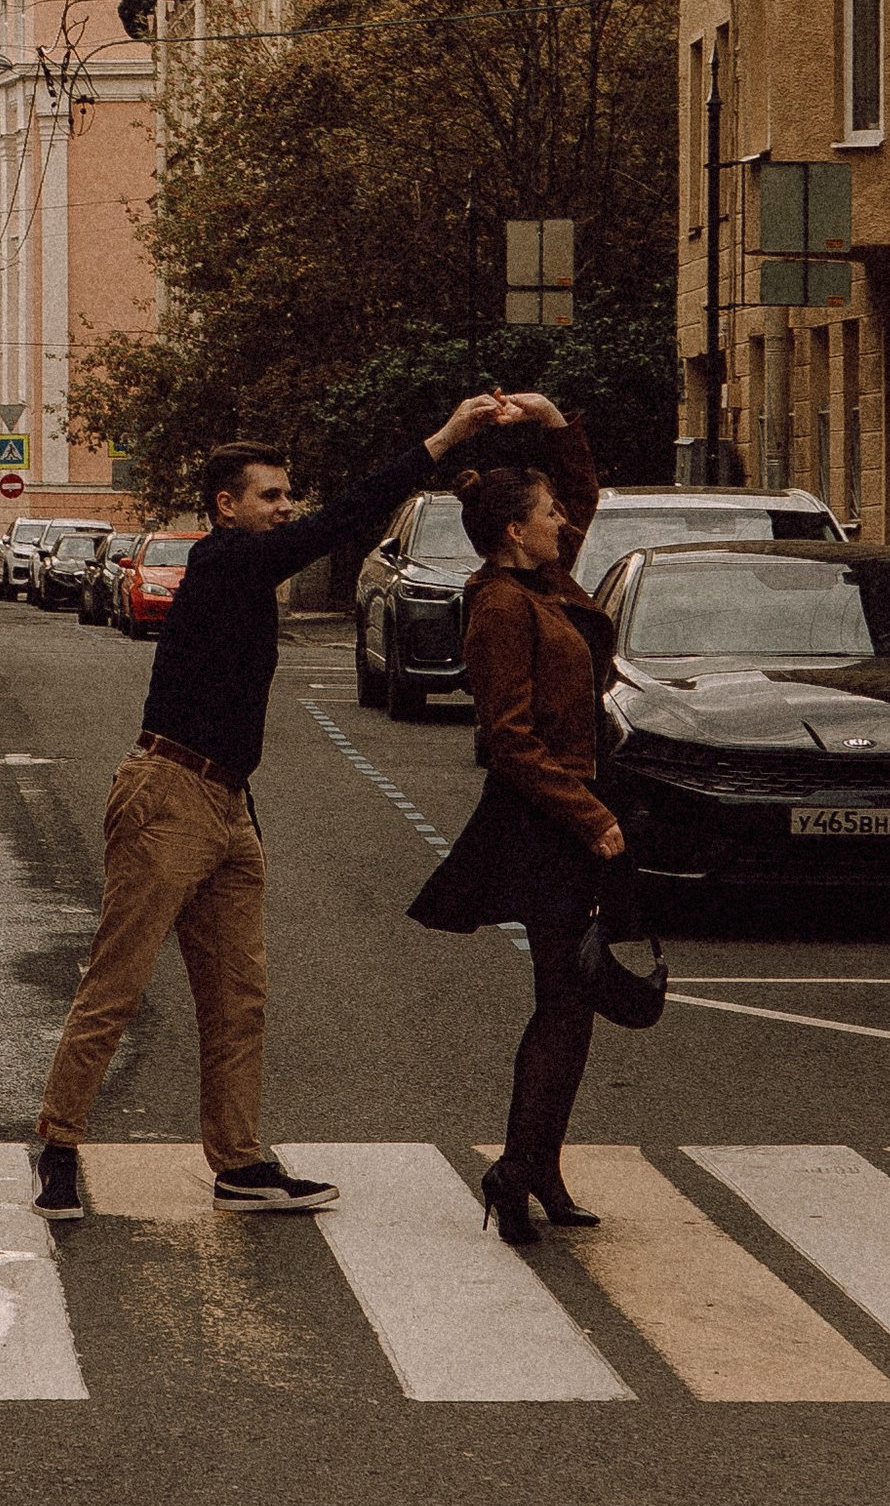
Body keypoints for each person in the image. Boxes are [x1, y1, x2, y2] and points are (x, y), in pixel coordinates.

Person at [34, 391, 513, 1215]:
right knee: (118, 983)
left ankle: (239, 1164)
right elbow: (341, 519)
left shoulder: (246, 572)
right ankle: (58, 1145)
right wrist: (442, 439)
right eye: (272, 496)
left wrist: (238, 812)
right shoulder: (224, 561)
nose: (287, 507)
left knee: (238, 998)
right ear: (227, 507)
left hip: (225, 801)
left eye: (289, 494)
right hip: (168, 793)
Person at [406, 398, 624, 1247]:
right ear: (513, 530)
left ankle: (539, 1167)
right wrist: (590, 816)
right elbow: (508, 739)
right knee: (563, 1001)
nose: (563, 521)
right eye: (547, 514)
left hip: (566, 815)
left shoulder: (545, 581)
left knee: (570, 1001)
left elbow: (583, 494)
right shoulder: (500, 605)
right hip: (542, 822)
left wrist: (557, 421)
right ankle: (516, 1171)